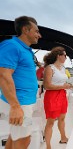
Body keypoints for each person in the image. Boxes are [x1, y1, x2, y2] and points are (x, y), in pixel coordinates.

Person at [0, 16, 41, 149]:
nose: (39, 35)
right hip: (20, 103)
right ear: (25, 30)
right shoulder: (11, 45)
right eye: (36, 31)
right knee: (24, 140)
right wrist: (15, 106)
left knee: (15, 136)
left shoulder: (26, 50)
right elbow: (4, 75)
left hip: (24, 102)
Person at [43, 46, 73, 149]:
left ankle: (63, 138)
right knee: (51, 122)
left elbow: (63, 82)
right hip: (52, 96)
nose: (66, 57)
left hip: (62, 95)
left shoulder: (63, 68)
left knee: (62, 118)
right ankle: (48, 146)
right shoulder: (50, 68)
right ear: (58, 56)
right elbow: (46, 86)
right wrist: (63, 86)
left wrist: (69, 85)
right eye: (65, 55)